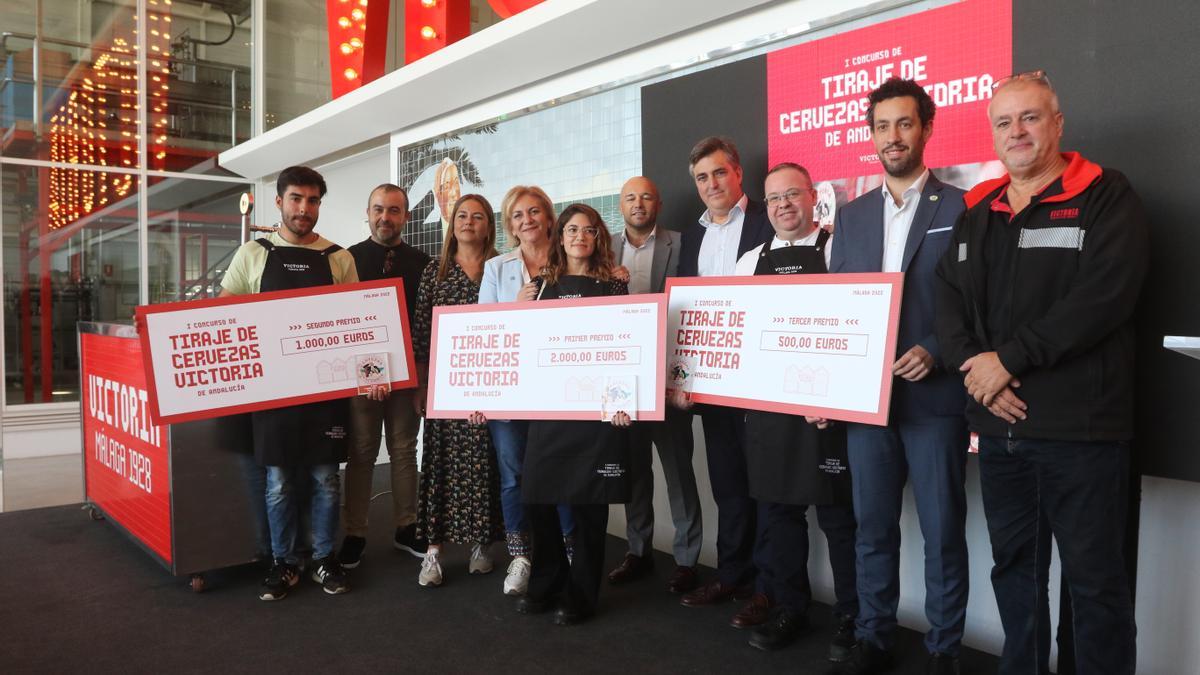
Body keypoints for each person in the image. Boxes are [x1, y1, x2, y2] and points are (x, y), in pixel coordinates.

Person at [935, 71, 1146, 675]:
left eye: (1029, 118)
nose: (1016, 131)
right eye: (1003, 122)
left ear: (1057, 124)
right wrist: (976, 368)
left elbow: (1103, 298)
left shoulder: (1106, 194)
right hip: (1001, 433)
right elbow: (947, 295)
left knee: (1096, 585)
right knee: (1015, 573)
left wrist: (1009, 361)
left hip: (1082, 435)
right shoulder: (979, 208)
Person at [825, 78, 970, 674]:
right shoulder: (853, 217)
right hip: (868, 404)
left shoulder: (960, 207)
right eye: (882, 126)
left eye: (904, 124)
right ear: (872, 134)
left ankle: (944, 651)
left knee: (942, 534)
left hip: (933, 401)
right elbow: (837, 308)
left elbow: (974, 303)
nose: (893, 137)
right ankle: (874, 636)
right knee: (872, 529)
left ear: (927, 129)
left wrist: (935, 348)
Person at [732, 163, 859, 655]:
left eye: (793, 195)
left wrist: (838, 394)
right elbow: (738, 332)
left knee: (839, 519)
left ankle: (852, 617)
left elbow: (855, 326)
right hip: (769, 409)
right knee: (779, 515)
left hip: (827, 407)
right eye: (774, 199)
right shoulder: (748, 262)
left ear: (813, 198)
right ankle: (790, 609)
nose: (784, 205)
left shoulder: (839, 250)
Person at [219, 165, 358, 600]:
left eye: (313, 200)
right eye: (296, 199)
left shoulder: (339, 258)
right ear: (278, 201)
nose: (304, 208)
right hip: (273, 391)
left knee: (325, 479)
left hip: (325, 391)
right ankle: (284, 562)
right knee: (277, 481)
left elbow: (360, 323)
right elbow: (223, 312)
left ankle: (322, 559)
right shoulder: (253, 254)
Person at [512, 203, 633, 626]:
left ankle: (581, 593)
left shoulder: (616, 287)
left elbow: (626, 349)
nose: (580, 236)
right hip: (549, 408)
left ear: (598, 238)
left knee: (588, 505)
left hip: (597, 414)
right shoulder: (538, 287)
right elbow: (521, 346)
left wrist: (623, 400)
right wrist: (518, 309)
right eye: (572, 230)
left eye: (589, 230)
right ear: (560, 237)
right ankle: (545, 583)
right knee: (539, 497)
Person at [675, 136, 773, 626]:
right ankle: (734, 575)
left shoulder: (765, 219)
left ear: (738, 174)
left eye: (719, 173)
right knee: (728, 483)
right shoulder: (690, 237)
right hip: (711, 385)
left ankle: (767, 586)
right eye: (702, 177)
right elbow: (688, 314)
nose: (711, 184)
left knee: (768, 486)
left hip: (759, 379)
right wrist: (683, 377)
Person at [606, 176, 703, 594]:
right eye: (630, 198)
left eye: (646, 196)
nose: (638, 204)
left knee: (679, 470)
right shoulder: (603, 247)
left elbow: (698, 304)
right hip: (624, 379)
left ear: (658, 202)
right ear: (620, 205)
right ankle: (638, 550)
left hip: (668, 374)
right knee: (634, 470)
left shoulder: (682, 244)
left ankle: (686, 559)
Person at [478, 185, 574, 596]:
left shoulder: (572, 257)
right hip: (510, 391)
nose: (527, 220)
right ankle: (521, 556)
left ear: (550, 218)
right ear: (510, 225)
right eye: (518, 215)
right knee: (514, 474)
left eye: (535, 212)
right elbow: (482, 329)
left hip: (562, 387)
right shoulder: (497, 269)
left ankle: (571, 553)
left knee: (565, 472)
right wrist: (513, 307)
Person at [410, 194, 506, 587]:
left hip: (491, 384)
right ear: (453, 224)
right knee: (440, 464)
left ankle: (481, 545)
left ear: (489, 225)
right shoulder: (435, 271)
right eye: (462, 215)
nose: (469, 222)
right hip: (445, 388)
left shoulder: (502, 269)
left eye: (478, 216)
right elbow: (421, 335)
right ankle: (433, 553)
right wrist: (420, 385)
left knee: (486, 463)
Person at [338, 184, 431, 569]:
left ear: (405, 216)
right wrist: (370, 373)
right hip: (363, 377)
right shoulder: (347, 260)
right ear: (368, 211)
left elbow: (425, 325)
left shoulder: (424, 263)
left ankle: (406, 527)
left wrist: (421, 381)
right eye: (378, 209)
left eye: (394, 210)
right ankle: (355, 533)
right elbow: (345, 322)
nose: (385, 217)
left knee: (404, 450)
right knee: (361, 453)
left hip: (407, 375)